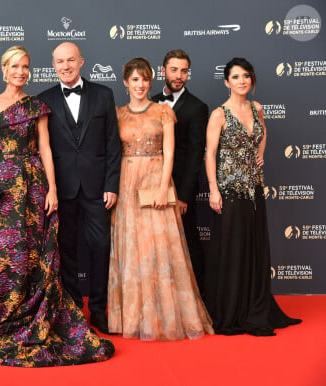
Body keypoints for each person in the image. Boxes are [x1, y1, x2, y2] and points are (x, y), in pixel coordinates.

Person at [0, 45, 114, 367]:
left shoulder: (37, 105)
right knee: (0, 254)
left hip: (32, 186)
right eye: (15, 66)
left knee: (31, 252)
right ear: (4, 70)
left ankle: (33, 308)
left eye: (25, 67)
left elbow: (45, 149)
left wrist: (53, 189)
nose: (20, 72)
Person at [107, 58, 213, 341]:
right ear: (125, 82)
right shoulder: (116, 114)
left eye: (145, 80)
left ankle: (164, 317)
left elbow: (170, 154)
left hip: (157, 179)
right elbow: (112, 155)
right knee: (132, 249)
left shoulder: (164, 112)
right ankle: (132, 317)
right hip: (127, 183)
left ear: (150, 82)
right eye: (135, 80)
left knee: (160, 250)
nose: (140, 85)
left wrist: (163, 188)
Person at [204, 57, 301, 336]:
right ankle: (233, 311)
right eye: (236, 77)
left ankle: (256, 308)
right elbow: (209, 153)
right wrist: (213, 188)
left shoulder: (257, 109)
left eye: (246, 75)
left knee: (255, 248)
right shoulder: (219, 114)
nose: (242, 81)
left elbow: (262, 133)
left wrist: (259, 155)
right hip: (229, 190)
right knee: (234, 251)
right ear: (227, 82)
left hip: (255, 188)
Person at [38, 42, 121, 334]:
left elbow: (113, 144)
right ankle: (73, 308)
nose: (65, 66)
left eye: (70, 60)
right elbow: (42, 150)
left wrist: (112, 184)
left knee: (100, 248)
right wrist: (49, 189)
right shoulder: (43, 99)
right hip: (62, 190)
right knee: (67, 250)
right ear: (53, 65)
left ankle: (99, 309)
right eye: (59, 61)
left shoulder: (103, 94)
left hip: (98, 189)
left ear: (81, 61)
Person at [151, 49, 208, 292]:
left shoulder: (197, 107)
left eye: (184, 71)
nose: (179, 76)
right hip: (151, 184)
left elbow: (196, 154)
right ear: (162, 71)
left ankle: (197, 298)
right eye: (174, 70)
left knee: (188, 242)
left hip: (180, 188)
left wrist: (183, 195)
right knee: (156, 243)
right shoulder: (150, 102)